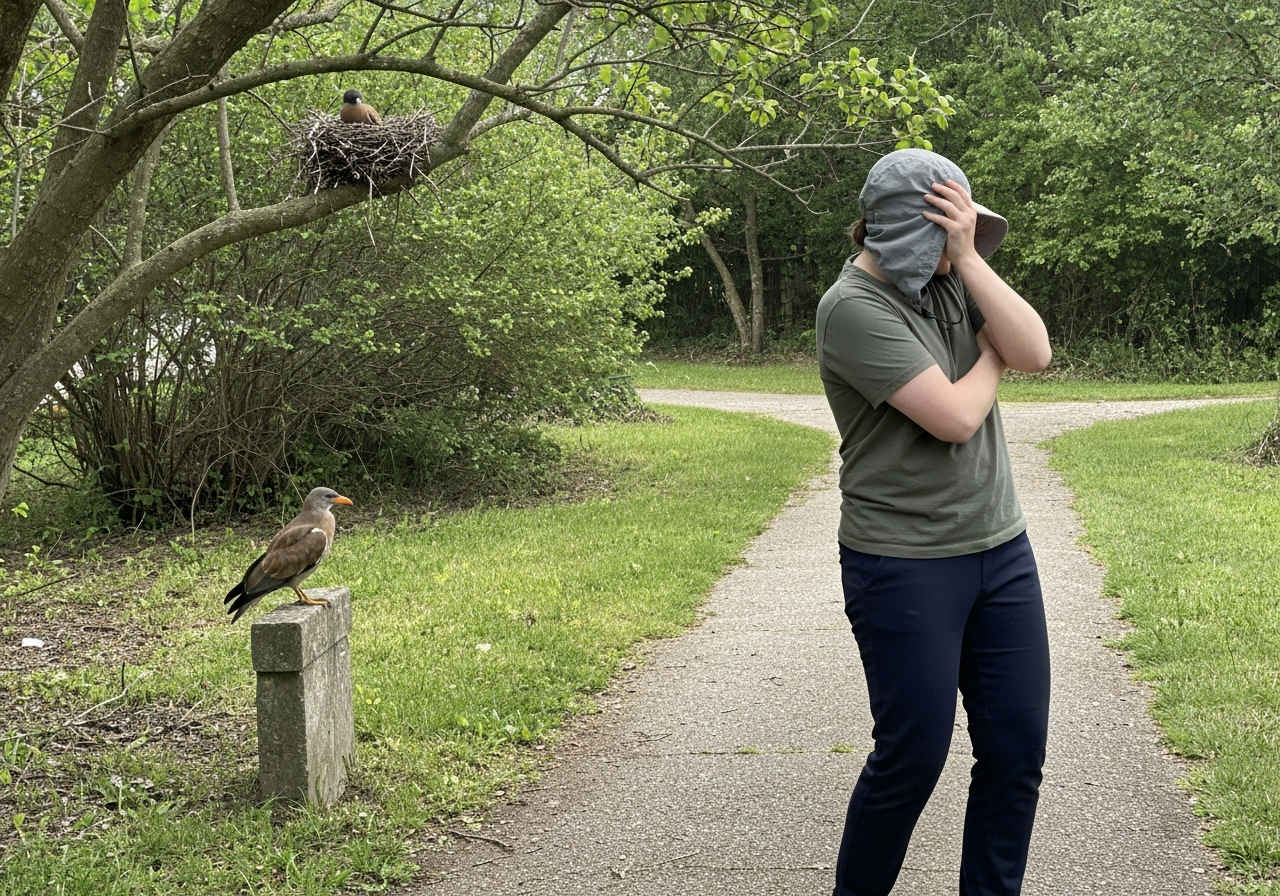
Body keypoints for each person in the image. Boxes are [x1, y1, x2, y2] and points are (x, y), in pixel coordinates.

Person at [815, 148, 1053, 896]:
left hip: (1000, 549)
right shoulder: (852, 307)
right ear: (905, 235)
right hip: (903, 562)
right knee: (912, 758)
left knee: (1016, 753)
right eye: (952, 235)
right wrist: (992, 359)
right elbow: (953, 417)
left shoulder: (955, 280)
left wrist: (969, 261)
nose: (966, 250)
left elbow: (1036, 350)